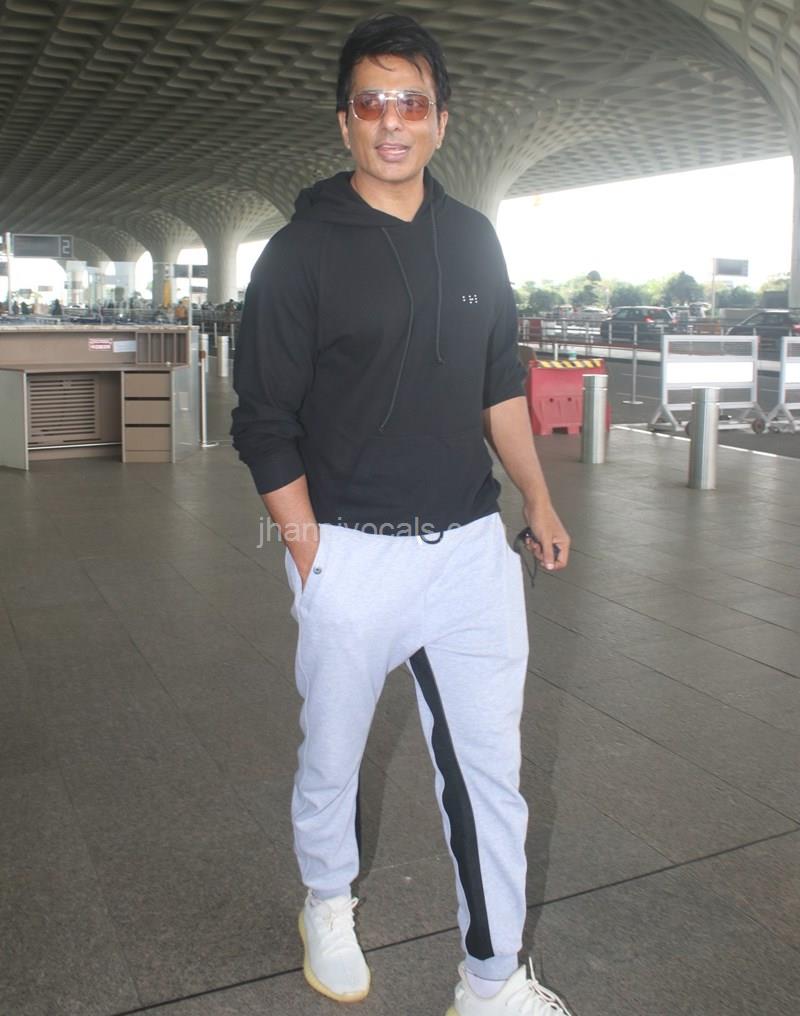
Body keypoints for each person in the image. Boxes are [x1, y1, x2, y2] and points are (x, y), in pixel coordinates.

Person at [231, 13, 572, 1016]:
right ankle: (326, 900)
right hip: (351, 552)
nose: (392, 121)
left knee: (490, 775)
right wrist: (313, 560)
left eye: (410, 102)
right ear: (344, 121)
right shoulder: (298, 254)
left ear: (440, 120)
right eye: (372, 102)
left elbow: (497, 384)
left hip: (469, 551)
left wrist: (537, 499)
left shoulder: (474, 240)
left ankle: (490, 980)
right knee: (332, 755)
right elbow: (263, 423)